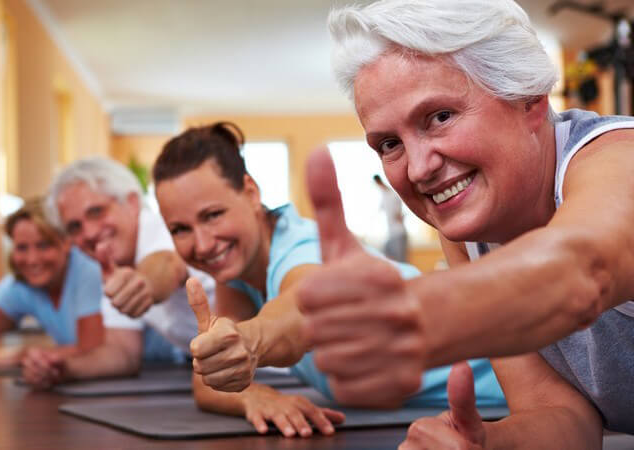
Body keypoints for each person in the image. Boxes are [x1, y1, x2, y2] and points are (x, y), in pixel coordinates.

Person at [295, 0, 634, 445]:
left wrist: (417, 317)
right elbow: (561, 414)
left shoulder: (619, 158)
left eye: (439, 117)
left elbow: (581, 270)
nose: (418, 169)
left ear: (529, 99)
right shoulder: (468, 233)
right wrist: (487, 444)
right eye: (390, 143)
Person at [152, 122, 505, 438]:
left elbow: (298, 312)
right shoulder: (237, 269)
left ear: (251, 192)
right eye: (180, 229)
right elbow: (208, 378)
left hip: (504, 388)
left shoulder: (301, 247)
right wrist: (254, 396)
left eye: (213, 215)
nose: (202, 244)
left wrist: (249, 342)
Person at [22, 156, 216, 387]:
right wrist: (63, 368)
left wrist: (142, 284)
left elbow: (167, 264)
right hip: (229, 375)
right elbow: (122, 353)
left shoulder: (160, 227)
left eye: (96, 212)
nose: (90, 233)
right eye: (75, 227)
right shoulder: (113, 265)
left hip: (264, 367)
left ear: (132, 203)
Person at [0, 200, 105, 364]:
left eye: (44, 246)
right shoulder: (22, 283)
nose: (32, 260)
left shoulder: (88, 268)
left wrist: (30, 356)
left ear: (66, 242)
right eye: (22, 248)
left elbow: (92, 349)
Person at [374, 174, 408, 262]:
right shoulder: (384, 195)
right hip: (391, 234)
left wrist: (401, 215)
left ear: (378, 182)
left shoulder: (393, 195)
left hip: (399, 233)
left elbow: (401, 212)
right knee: (385, 255)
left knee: (401, 261)